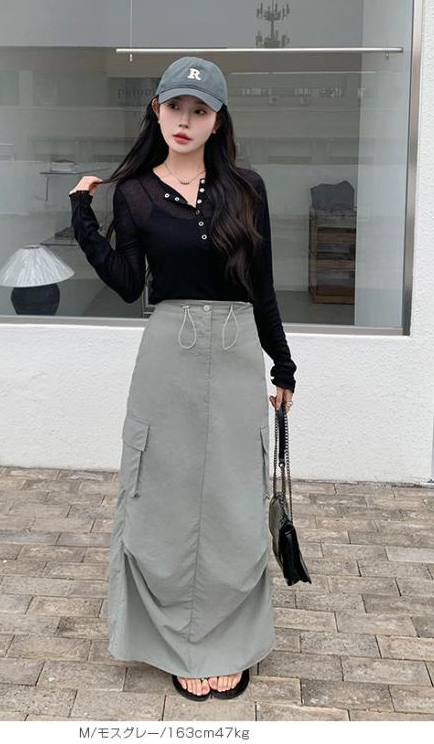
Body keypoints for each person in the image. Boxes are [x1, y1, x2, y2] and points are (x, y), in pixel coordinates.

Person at [69, 56, 296, 702]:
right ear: (157, 110)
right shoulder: (136, 194)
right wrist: (83, 215)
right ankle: (174, 641)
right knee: (162, 494)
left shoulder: (247, 189)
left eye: (199, 111)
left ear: (217, 120)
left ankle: (226, 640)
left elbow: (262, 287)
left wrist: (282, 364)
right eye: (175, 107)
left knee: (232, 498)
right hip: (168, 354)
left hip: (235, 353)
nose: (185, 120)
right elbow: (126, 283)